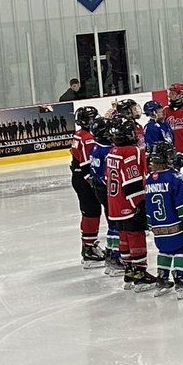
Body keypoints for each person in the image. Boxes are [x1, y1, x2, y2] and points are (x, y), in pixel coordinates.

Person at [144, 142, 183, 299]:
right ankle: (180, 280)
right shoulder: (177, 178)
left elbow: (148, 206)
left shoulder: (149, 180)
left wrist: (150, 225)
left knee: (164, 250)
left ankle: (162, 278)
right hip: (176, 227)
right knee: (181, 249)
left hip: (158, 228)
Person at [105, 117, 153, 289]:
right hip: (129, 204)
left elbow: (107, 178)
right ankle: (140, 273)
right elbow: (131, 181)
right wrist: (140, 204)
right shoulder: (131, 151)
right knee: (136, 235)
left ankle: (129, 270)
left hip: (114, 204)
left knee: (123, 236)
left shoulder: (113, 151)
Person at [70, 106, 104, 267]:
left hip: (78, 177)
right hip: (83, 179)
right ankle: (89, 249)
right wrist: (93, 183)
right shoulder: (87, 138)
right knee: (91, 212)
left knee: (90, 211)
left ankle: (89, 245)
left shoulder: (80, 134)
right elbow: (86, 165)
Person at [87, 117, 121, 274]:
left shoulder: (96, 147)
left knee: (112, 222)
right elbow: (109, 176)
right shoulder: (106, 151)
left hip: (101, 190)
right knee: (115, 223)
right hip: (109, 192)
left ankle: (111, 253)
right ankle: (115, 255)